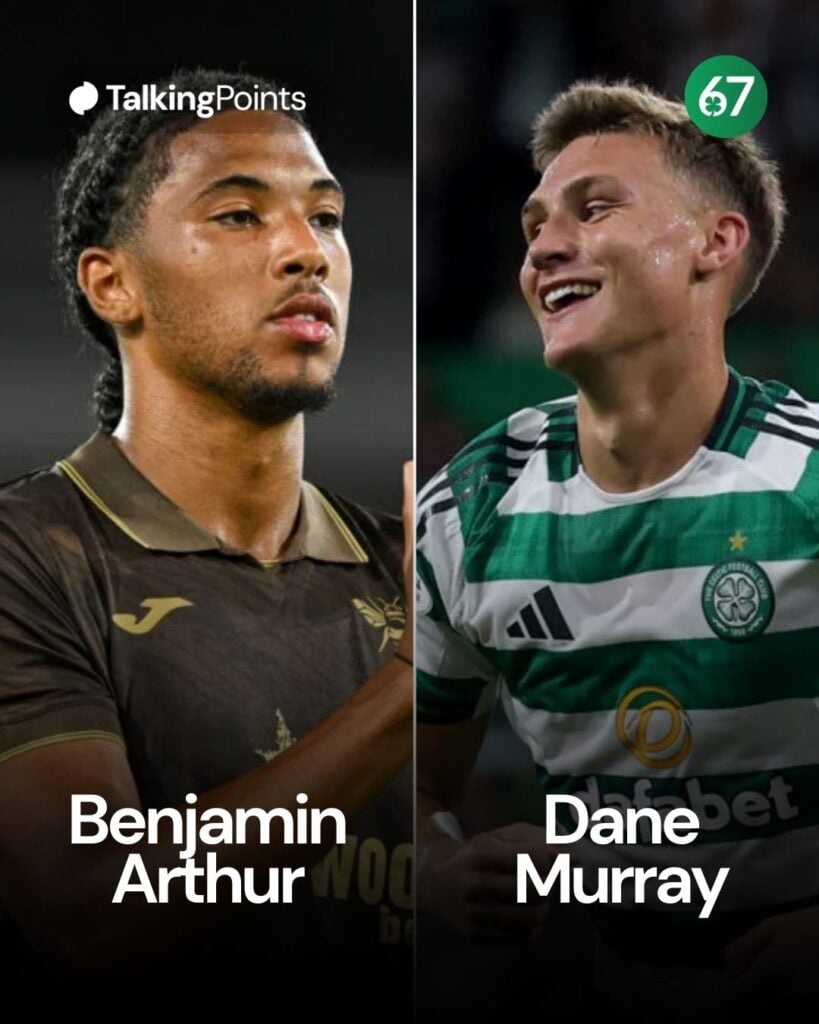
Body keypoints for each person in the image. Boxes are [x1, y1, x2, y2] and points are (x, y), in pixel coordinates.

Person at [0, 68, 412, 1016]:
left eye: (327, 217)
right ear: (114, 283)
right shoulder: (31, 557)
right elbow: (95, 913)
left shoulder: (411, 572)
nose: (305, 251)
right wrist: (409, 684)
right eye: (239, 215)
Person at [416, 79, 819, 1021]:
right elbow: (408, 774)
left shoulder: (807, 481)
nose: (545, 246)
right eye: (534, 225)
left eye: (595, 208)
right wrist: (437, 865)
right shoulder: (471, 508)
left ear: (713, 245)